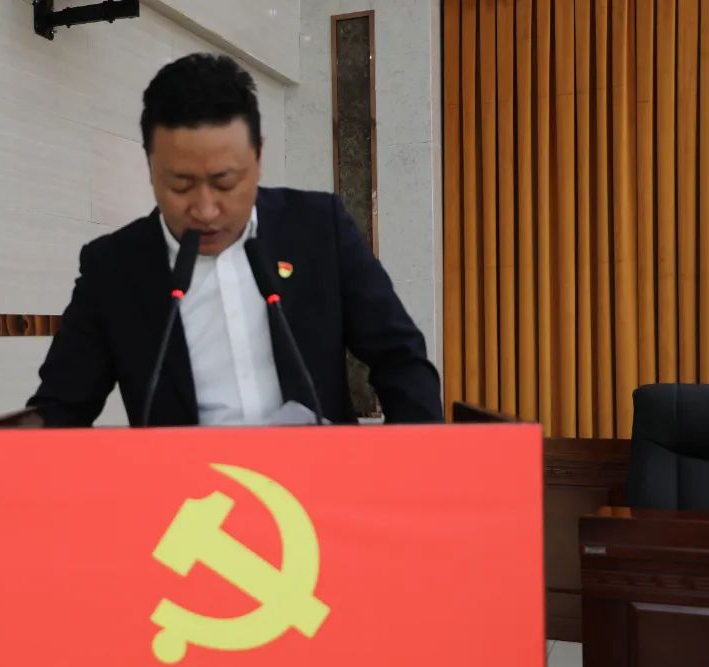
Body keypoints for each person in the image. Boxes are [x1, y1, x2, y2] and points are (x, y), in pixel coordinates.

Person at [27, 53, 442, 427]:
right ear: (151, 167)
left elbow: (400, 358)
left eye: (224, 182)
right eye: (181, 185)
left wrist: (411, 468)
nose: (206, 210)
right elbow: (61, 407)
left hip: (317, 479)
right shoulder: (113, 267)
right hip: (186, 486)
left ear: (258, 158)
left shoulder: (318, 227)